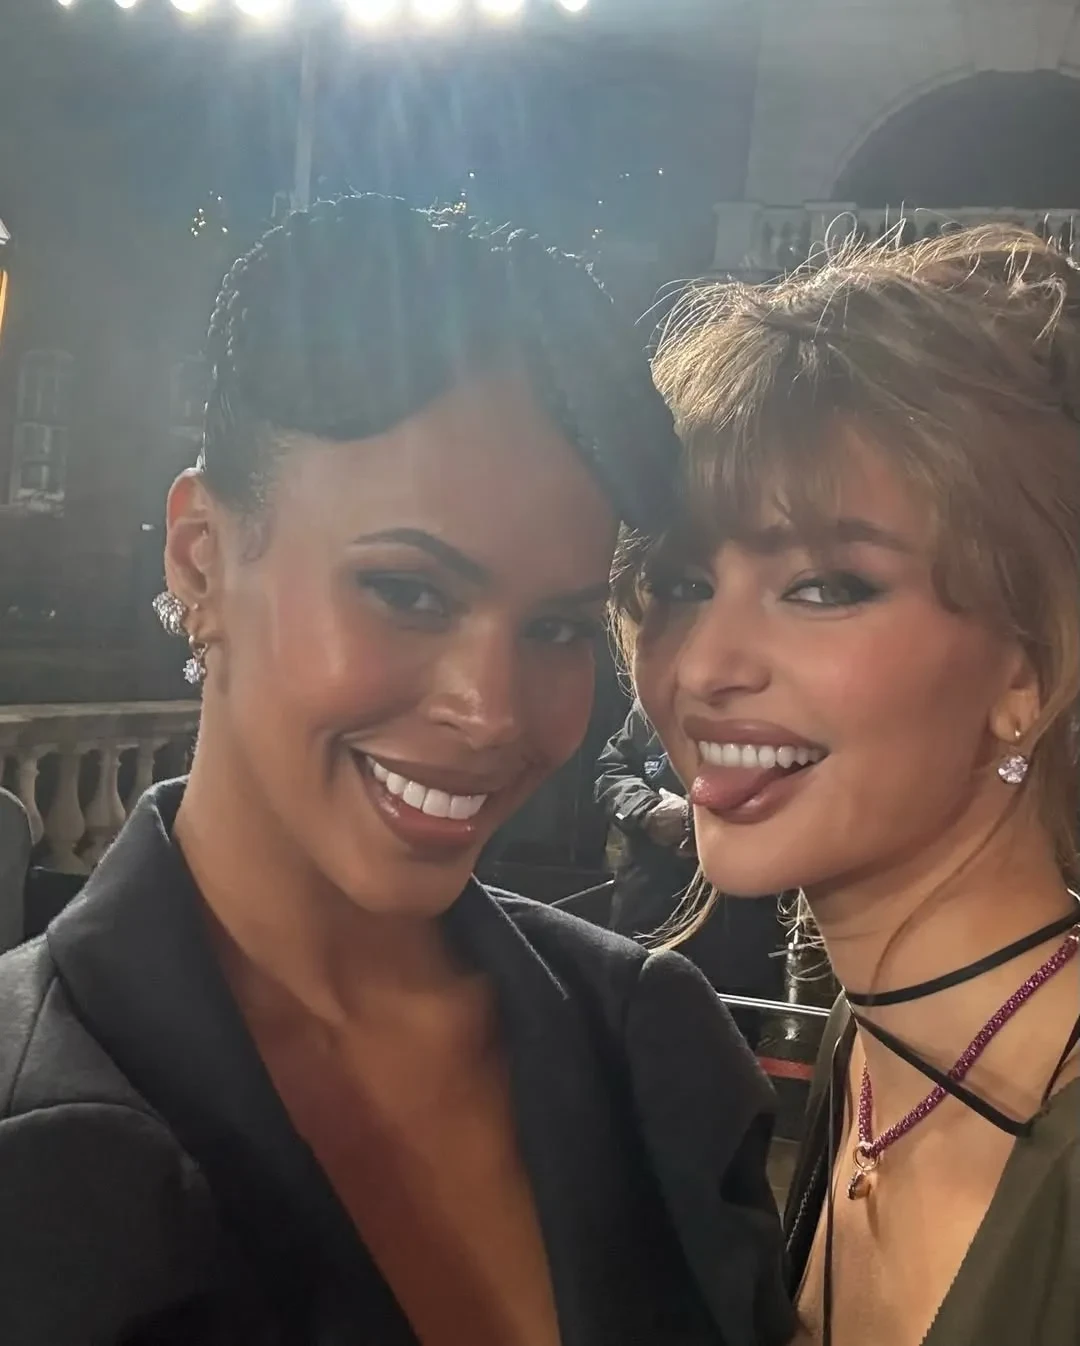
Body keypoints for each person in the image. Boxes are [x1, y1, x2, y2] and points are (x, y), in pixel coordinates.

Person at [0, 196, 795, 1346]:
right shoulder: (34, 1125)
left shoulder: (654, 1052)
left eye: (558, 627)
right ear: (201, 557)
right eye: (407, 590)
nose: (492, 710)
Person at [617, 224, 1080, 1346]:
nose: (703, 667)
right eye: (681, 580)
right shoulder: (875, 1041)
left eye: (825, 586)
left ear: (1028, 665)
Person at [596, 704, 784, 1046]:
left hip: (734, 922)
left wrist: (696, 818)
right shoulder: (649, 706)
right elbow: (612, 769)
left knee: (726, 1044)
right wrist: (646, 811)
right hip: (647, 911)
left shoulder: (773, 702)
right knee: (629, 1033)